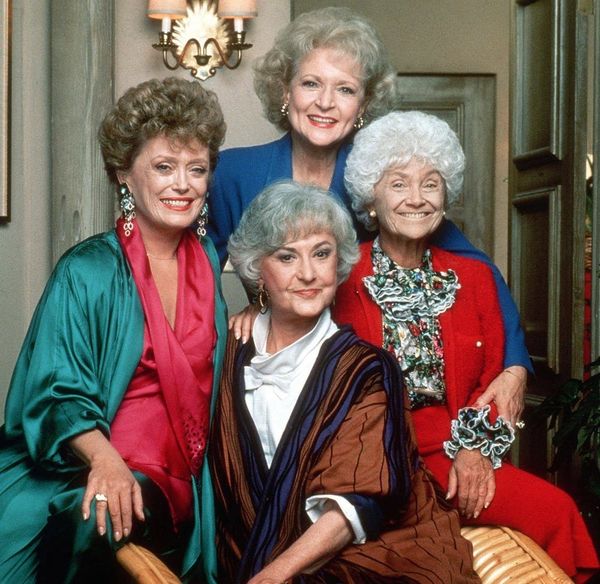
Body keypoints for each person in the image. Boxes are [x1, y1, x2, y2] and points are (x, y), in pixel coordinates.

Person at [213, 6, 531, 431]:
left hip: (357, 389)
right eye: (310, 83)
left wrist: (515, 365)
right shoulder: (234, 173)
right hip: (269, 369)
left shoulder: (378, 181)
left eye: (345, 89)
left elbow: (476, 269)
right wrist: (251, 314)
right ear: (284, 90)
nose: (325, 102)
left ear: (362, 104)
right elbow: (196, 272)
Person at [333, 110, 600, 582]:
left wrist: (473, 449)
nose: (416, 198)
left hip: (451, 449)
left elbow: (496, 376)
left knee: (555, 511)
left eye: (430, 184)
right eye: (398, 184)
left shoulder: (474, 277)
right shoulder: (338, 276)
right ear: (371, 198)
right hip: (368, 457)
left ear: (445, 195)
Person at [0, 77, 227, 583]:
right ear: (125, 173)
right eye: (163, 167)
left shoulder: (209, 262)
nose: (183, 184)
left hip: (185, 475)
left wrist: (255, 311)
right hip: (101, 463)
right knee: (94, 519)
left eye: (196, 169)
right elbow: (55, 392)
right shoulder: (87, 269)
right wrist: (106, 463)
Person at [209, 180, 479, 584]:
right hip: (244, 556)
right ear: (257, 271)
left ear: (338, 265)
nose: (308, 273)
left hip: (361, 558)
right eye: (286, 257)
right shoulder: (224, 354)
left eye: (321, 253)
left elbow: (357, 501)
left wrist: (273, 576)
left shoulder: (368, 369)